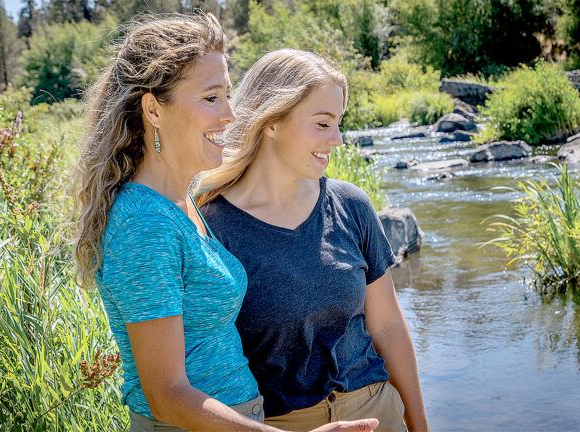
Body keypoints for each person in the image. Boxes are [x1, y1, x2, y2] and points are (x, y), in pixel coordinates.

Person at [72, 14, 379, 432]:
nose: (231, 114)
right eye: (211, 97)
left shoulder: (182, 202)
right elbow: (165, 394)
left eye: (228, 95)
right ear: (153, 109)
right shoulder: (144, 224)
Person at [197, 49, 430, 432]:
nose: (337, 139)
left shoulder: (351, 204)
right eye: (323, 124)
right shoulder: (210, 228)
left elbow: (387, 326)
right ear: (271, 122)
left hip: (379, 412)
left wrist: (419, 425)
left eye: (339, 123)